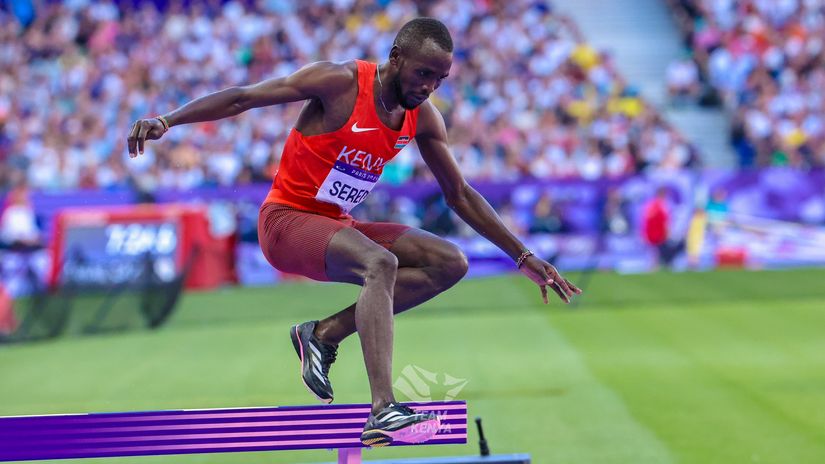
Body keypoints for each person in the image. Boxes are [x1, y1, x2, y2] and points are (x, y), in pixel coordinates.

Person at [127, 18, 581, 447]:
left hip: (336, 224)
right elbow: (244, 97)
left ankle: (322, 334)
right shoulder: (340, 82)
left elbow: (459, 194)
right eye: (423, 73)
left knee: (450, 262)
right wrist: (167, 120)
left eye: (440, 80)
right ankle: (383, 409)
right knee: (379, 262)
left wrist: (523, 256)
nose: (428, 88)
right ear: (396, 56)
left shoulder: (422, 118)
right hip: (284, 222)